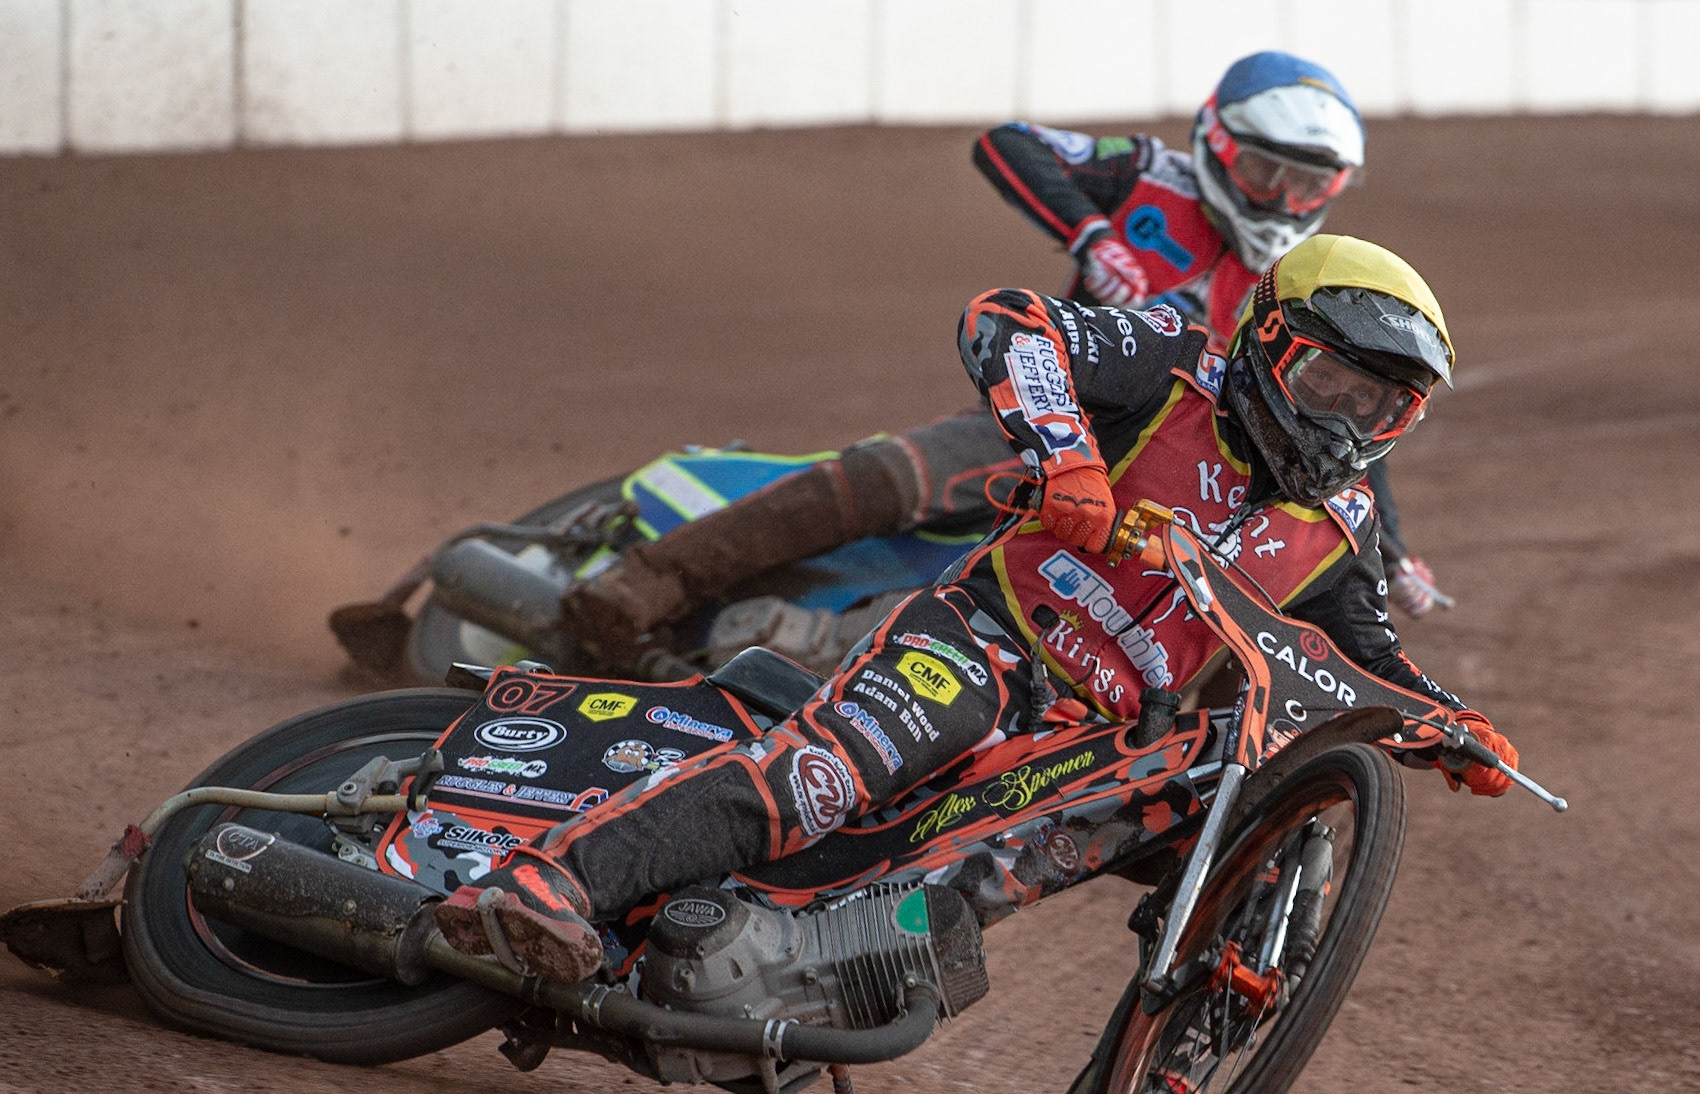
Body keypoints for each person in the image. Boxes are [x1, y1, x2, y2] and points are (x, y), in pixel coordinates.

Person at [434, 234, 1520, 991]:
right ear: (1272, 342)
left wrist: (1449, 723)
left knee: (1251, 820)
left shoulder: (1347, 520)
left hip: (1095, 737)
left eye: (1384, 405)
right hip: (989, 638)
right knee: (824, 774)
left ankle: (1192, 1050)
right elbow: (1010, 318)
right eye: (1336, 385)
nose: (1351, 420)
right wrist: (1070, 462)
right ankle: (548, 875)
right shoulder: (1177, 362)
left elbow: (1361, 650)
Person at [557, 53, 1451, 675]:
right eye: (1264, 172)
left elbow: (1338, 434)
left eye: (1310, 186)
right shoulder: (1155, 176)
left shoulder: (1300, 290)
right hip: (1047, 409)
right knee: (894, 476)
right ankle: (638, 586)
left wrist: (1395, 558)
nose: (1284, 202)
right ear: (1216, 144)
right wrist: (1093, 233)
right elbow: (1009, 143)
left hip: (1180, 471)